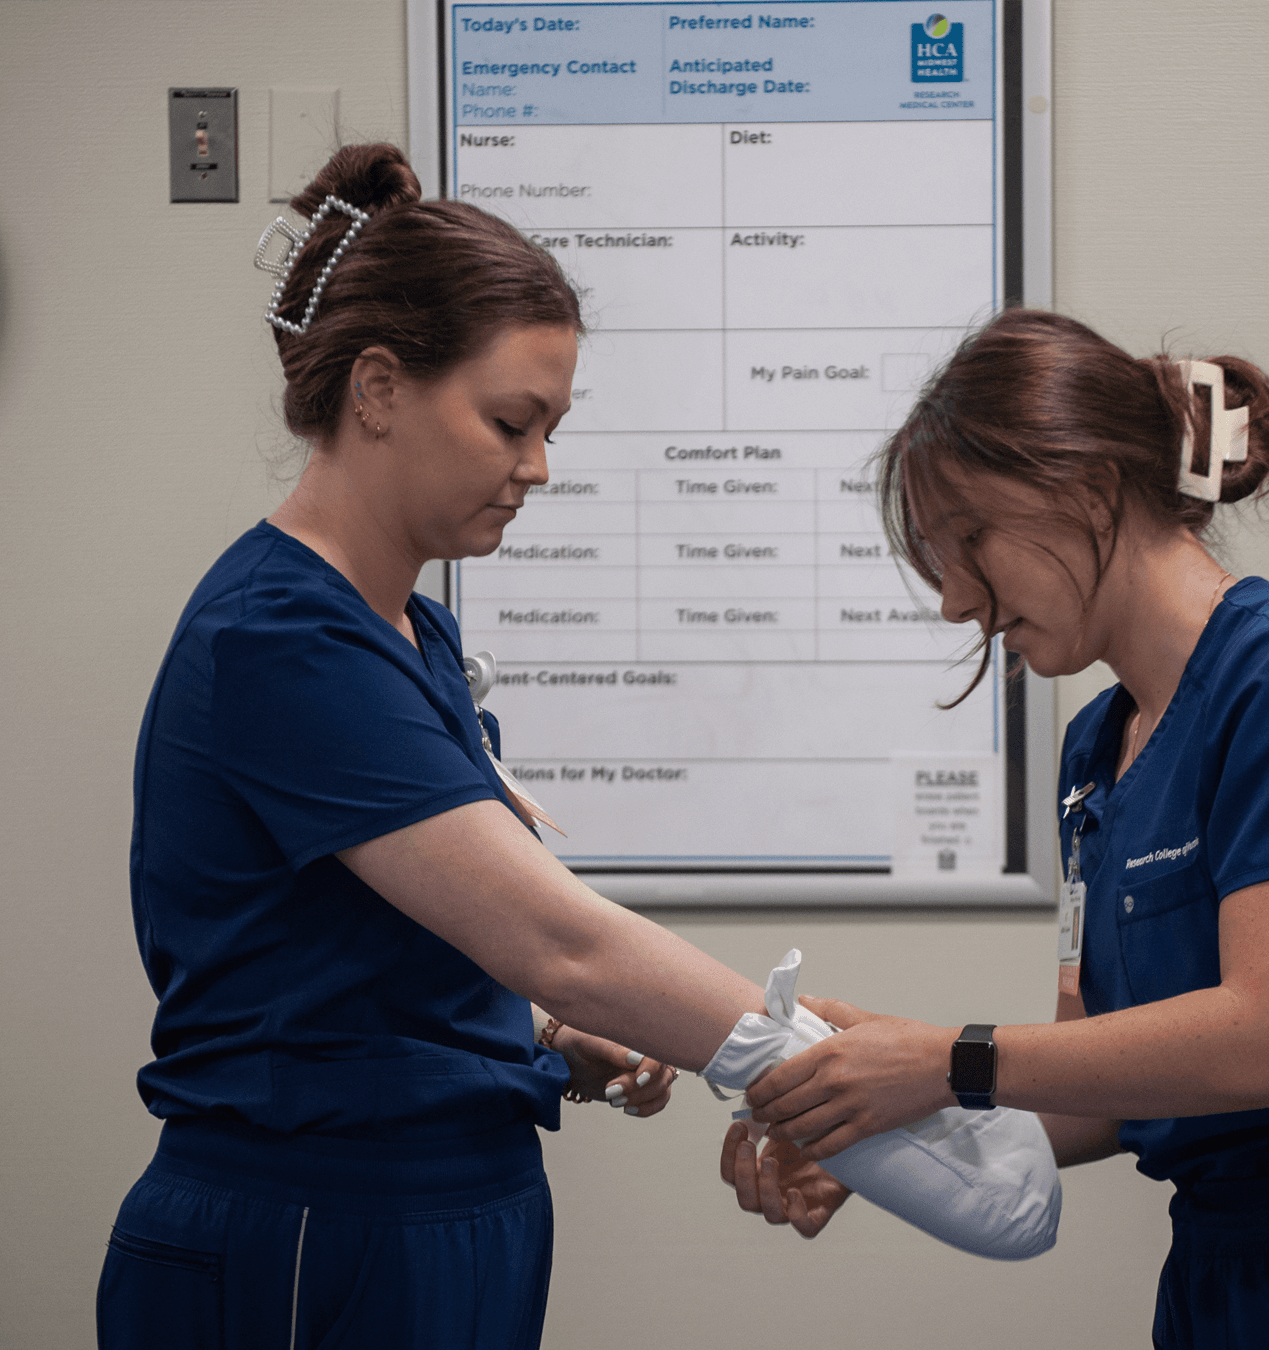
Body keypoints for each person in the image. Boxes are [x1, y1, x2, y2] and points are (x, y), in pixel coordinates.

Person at [727, 309, 1269, 1348]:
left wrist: (944, 1059)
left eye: (968, 544)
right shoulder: (1097, 751)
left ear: (1086, 489)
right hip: (1217, 1277)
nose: (956, 602)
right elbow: (1099, 1092)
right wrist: (881, 1122)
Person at [100, 143, 783, 1349]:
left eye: (549, 429)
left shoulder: (413, 633)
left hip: (447, 1204)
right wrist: (816, 1069)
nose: (538, 467)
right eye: (511, 422)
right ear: (378, 389)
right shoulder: (282, 641)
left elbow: (370, 954)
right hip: (319, 1222)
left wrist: (542, 1040)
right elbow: (555, 938)